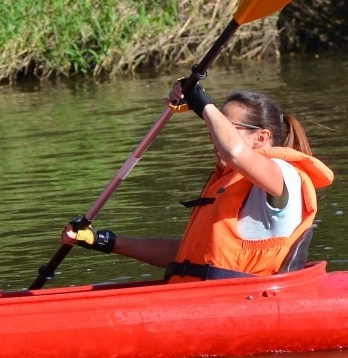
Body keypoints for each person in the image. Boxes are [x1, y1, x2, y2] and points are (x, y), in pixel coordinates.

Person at [62, 83, 332, 279]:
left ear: (260, 138)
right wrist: (103, 241)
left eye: (225, 127)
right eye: (214, 128)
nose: (213, 137)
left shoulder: (283, 174)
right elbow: (186, 258)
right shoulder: (228, 182)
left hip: (245, 302)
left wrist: (202, 103)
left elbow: (235, 152)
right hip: (198, 298)